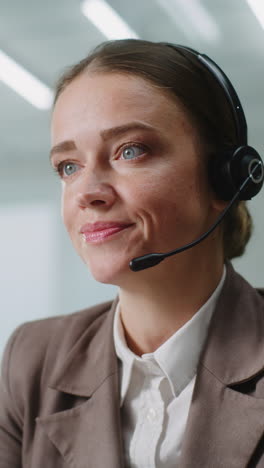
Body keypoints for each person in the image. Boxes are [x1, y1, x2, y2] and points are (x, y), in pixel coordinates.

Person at [0, 39, 264, 468]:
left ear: (224, 179)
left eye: (131, 150)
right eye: (69, 166)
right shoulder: (33, 360)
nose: (86, 192)